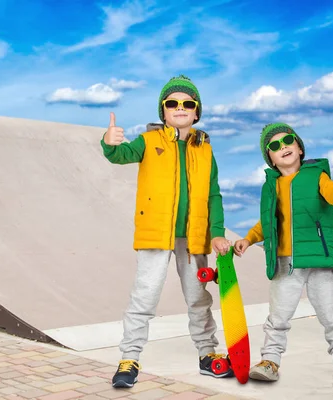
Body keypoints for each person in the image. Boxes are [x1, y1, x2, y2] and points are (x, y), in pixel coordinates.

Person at [101, 75, 233, 388]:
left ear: (197, 111)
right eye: (172, 103)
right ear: (163, 111)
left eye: (188, 103)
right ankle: (128, 359)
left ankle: (207, 354)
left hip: (194, 237)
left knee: (198, 298)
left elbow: (214, 194)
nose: (180, 107)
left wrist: (216, 233)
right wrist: (109, 142)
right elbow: (121, 155)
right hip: (155, 233)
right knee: (144, 298)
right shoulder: (148, 142)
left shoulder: (205, 148)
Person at [234, 122, 333, 383]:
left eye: (288, 140)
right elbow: (267, 222)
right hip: (285, 261)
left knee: (331, 313)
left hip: (319, 258)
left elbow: (331, 192)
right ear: (270, 158)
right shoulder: (271, 187)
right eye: (274, 146)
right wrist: (248, 238)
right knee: (278, 315)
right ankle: (270, 361)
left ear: (299, 147)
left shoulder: (316, 175)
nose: (283, 147)